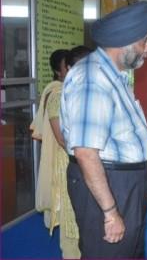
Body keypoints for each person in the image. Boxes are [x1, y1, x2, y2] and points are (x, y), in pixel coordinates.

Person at [60, 1, 147, 258]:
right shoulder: (92, 77)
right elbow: (86, 152)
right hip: (110, 184)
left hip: (124, 184)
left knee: (128, 251)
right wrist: (111, 212)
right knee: (109, 253)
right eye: (144, 41)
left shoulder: (113, 75)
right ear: (124, 41)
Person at [31, 49, 82, 258]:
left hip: (76, 161)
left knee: (79, 221)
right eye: (68, 66)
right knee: (71, 223)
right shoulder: (57, 94)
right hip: (67, 163)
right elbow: (62, 139)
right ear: (59, 71)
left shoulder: (71, 91)